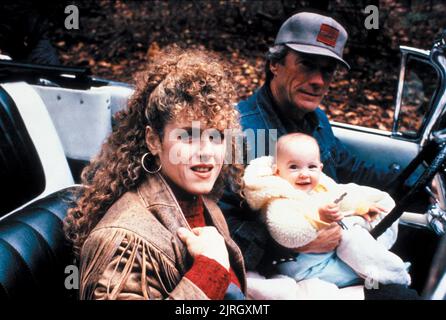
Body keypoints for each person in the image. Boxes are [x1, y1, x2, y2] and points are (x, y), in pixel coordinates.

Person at [220, 11, 419, 299]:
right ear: (275, 64)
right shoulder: (240, 132)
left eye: (327, 70)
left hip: (337, 258)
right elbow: (219, 220)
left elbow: (350, 166)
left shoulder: (317, 121)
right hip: (279, 275)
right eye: (306, 65)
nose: (317, 80)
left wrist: (416, 174)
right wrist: (295, 242)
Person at [64, 49, 246, 300]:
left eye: (216, 136)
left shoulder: (203, 202)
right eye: (188, 136)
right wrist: (209, 270)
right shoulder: (123, 241)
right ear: (153, 141)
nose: (207, 152)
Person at [243, 133, 411, 289]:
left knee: (355, 239)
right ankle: (393, 276)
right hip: (302, 265)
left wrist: (362, 206)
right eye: (294, 167)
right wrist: (319, 219)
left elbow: (338, 195)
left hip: (326, 254)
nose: (304, 174)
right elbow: (287, 233)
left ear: (320, 168)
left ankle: (383, 272)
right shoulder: (279, 199)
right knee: (352, 274)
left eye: (312, 167)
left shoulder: (319, 185)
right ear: (277, 171)